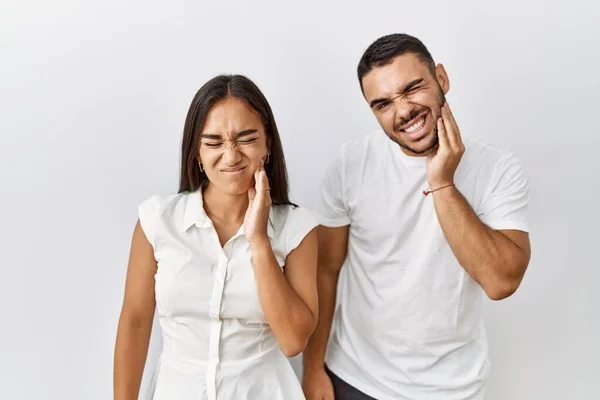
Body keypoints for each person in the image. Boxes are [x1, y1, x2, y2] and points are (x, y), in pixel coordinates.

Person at [302, 33, 531, 400]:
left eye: (412, 88)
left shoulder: (496, 169)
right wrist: (313, 369)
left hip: (452, 389)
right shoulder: (351, 164)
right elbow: (326, 270)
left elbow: (501, 282)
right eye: (383, 104)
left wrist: (442, 183)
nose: (403, 110)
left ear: (441, 78)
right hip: (355, 378)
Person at [114, 74, 319, 400]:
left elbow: (294, 341)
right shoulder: (157, 221)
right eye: (213, 142)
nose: (231, 155)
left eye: (246, 138)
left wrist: (259, 242)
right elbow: (136, 320)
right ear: (196, 152)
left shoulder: (298, 228)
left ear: (267, 144)